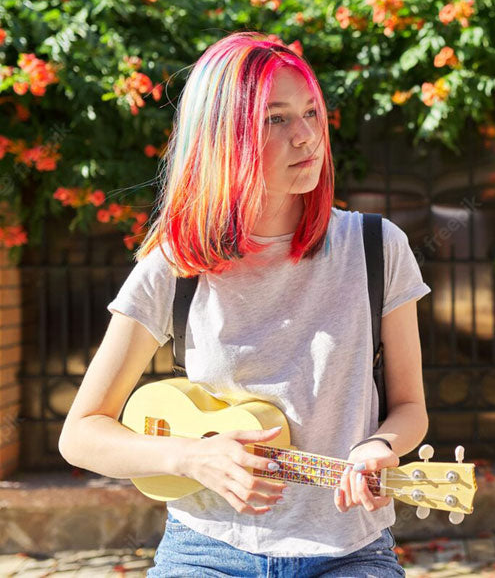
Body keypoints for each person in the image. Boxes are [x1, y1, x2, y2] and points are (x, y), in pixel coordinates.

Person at [58, 32, 431, 577]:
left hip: (350, 552)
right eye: (275, 119)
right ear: (222, 136)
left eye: (311, 112)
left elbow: (410, 407)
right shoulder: (175, 262)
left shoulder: (377, 248)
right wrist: (189, 458)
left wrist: (378, 446)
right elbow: (81, 433)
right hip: (205, 550)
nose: (307, 137)